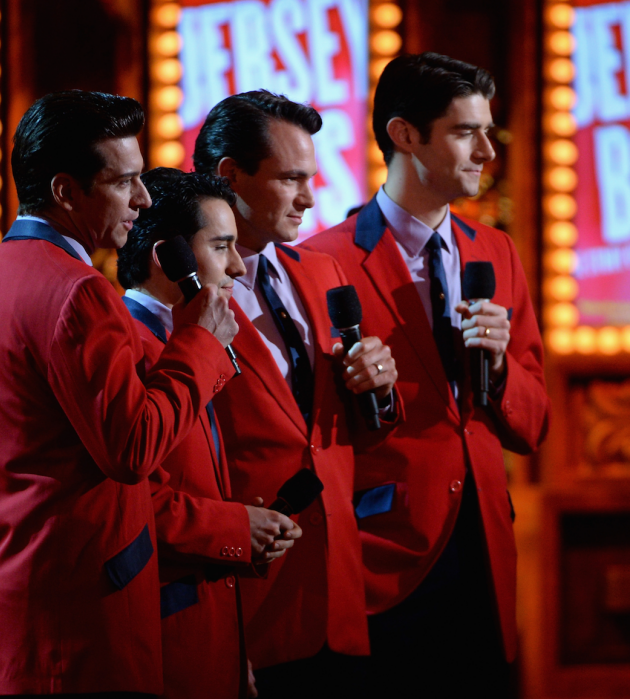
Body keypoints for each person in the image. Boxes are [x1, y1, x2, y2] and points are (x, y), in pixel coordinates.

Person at [0, 91, 239, 698]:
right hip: (83, 627)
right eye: (124, 182)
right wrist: (199, 342)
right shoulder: (79, 292)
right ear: (66, 191)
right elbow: (132, 447)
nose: (144, 200)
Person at [303, 53, 551, 697]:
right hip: (381, 557)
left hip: (485, 558)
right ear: (405, 135)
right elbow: (302, 425)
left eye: (487, 132)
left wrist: (497, 367)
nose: (487, 152)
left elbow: (535, 422)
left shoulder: (495, 251)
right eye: (466, 133)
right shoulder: (320, 260)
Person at [192, 91, 401, 697]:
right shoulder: (181, 294)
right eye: (290, 179)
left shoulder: (322, 270)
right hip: (247, 598)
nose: (310, 198)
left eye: (310, 178)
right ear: (229, 176)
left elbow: (340, 430)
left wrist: (378, 388)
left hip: (339, 595)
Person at [116, 168, 303, 699]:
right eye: (222, 247)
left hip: (216, 628)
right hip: (160, 637)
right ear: (167, 257)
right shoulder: (126, 344)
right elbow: (128, 501)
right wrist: (236, 525)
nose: (240, 268)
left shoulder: (193, 336)